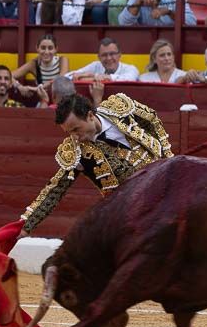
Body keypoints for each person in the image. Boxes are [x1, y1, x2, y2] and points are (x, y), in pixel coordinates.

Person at [19, 92, 172, 235]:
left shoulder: (120, 107)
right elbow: (55, 189)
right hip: (133, 212)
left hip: (166, 182)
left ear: (90, 115)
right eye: (69, 132)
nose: (75, 137)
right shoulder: (76, 152)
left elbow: (152, 120)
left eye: (76, 129)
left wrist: (169, 159)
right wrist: (25, 225)